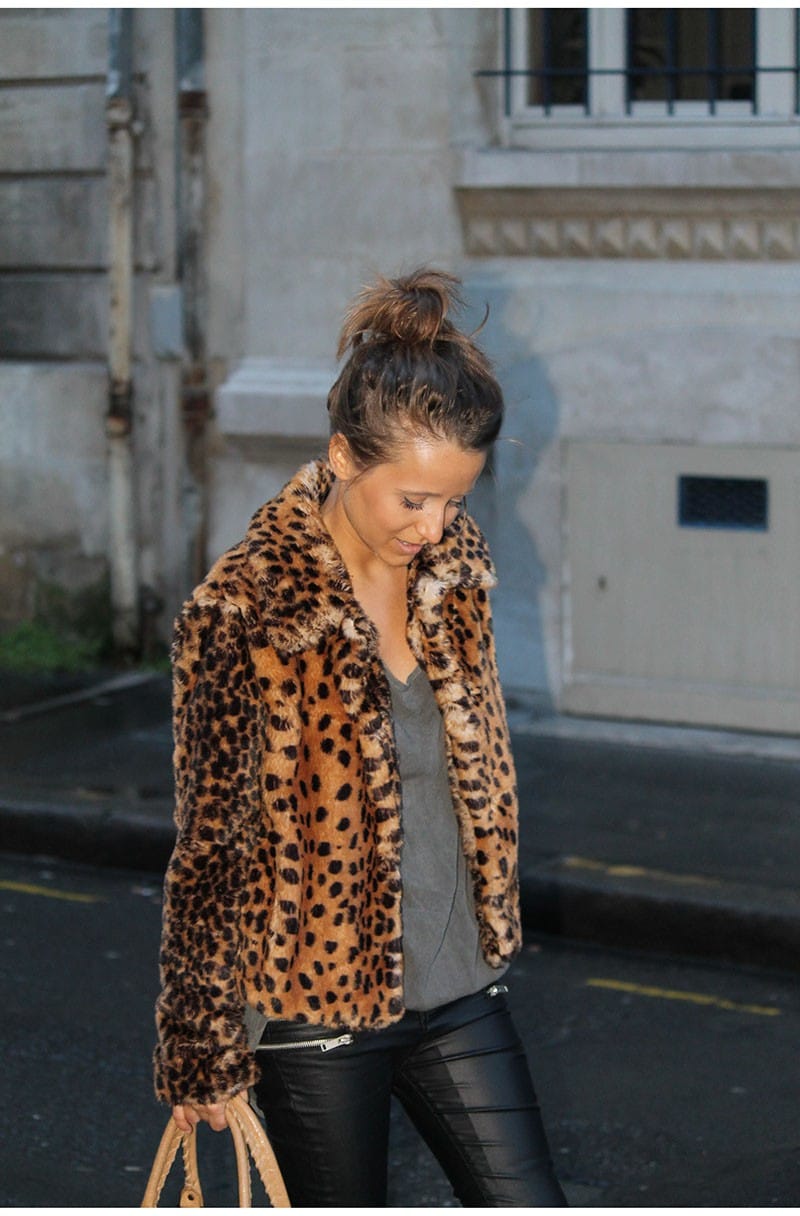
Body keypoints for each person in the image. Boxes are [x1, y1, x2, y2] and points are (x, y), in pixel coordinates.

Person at [153, 267, 567, 1207]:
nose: (435, 524)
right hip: (316, 1017)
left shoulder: (455, 575)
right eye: (412, 499)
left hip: (459, 988)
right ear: (343, 456)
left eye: (455, 499)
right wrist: (200, 1045)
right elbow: (212, 844)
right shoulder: (245, 610)